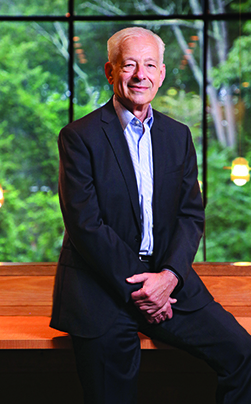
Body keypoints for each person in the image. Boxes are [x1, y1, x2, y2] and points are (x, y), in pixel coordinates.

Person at [50, 27, 251, 404]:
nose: (140, 75)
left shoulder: (178, 136)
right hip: (101, 288)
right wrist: (145, 290)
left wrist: (169, 277)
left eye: (149, 65)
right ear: (110, 73)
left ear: (160, 74)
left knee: (244, 355)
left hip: (168, 280)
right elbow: (85, 225)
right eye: (129, 65)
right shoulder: (79, 137)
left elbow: (191, 216)